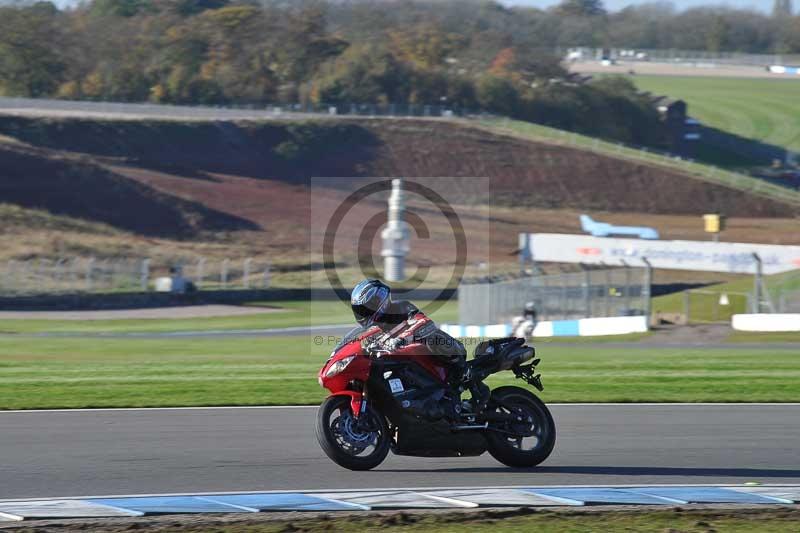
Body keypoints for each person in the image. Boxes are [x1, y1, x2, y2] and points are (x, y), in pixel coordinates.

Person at [349, 279, 467, 382]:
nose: (363, 314)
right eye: (359, 310)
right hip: (411, 369)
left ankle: (464, 372)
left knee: (434, 339)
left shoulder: (402, 307)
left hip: (442, 354)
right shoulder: (373, 330)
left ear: (378, 302)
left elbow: (424, 322)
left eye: (365, 309)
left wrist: (401, 339)